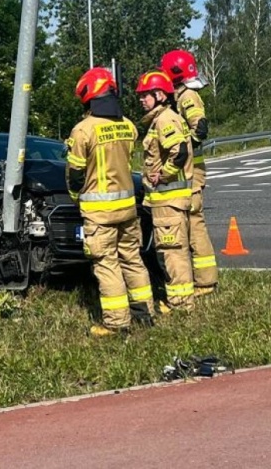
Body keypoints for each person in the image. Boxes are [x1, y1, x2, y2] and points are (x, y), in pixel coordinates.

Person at [65, 67, 155, 336]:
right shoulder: (128, 126)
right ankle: (145, 313)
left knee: (107, 264)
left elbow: (75, 175)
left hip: (99, 213)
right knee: (132, 259)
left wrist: (76, 199)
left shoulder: (83, 130)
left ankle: (117, 322)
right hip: (127, 208)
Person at [135, 70, 195, 313]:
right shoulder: (161, 119)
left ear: (160, 95)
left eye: (145, 95)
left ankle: (180, 304)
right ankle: (179, 300)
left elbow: (179, 152)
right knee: (171, 251)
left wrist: (163, 174)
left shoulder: (164, 120)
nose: (141, 100)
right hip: (166, 201)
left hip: (169, 200)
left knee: (172, 253)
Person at [160, 49, 218, 296]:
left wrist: (182, 146)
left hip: (192, 173)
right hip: (190, 172)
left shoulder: (187, 96)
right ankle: (203, 279)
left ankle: (205, 282)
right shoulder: (182, 95)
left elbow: (200, 128)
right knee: (192, 225)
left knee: (195, 226)